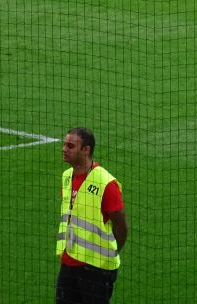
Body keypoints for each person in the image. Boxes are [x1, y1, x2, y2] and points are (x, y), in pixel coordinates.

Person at [57, 127, 127, 304]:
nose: (64, 149)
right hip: (69, 261)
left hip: (97, 268)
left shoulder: (106, 183)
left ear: (86, 150)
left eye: (70, 146)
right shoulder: (66, 176)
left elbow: (122, 227)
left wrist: (111, 252)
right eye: (64, 144)